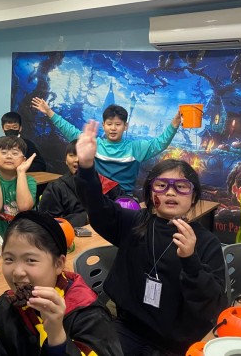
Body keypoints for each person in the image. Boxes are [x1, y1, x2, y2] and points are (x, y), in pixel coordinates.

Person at [75, 120, 227, 355]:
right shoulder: (134, 223)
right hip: (127, 329)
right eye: (162, 185)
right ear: (150, 193)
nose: (170, 192)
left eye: (181, 187)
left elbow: (214, 306)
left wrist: (191, 260)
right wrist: (86, 167)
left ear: (193, 197)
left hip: (178, 344)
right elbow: (97, 206)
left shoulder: (206, 242)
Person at [0, 210, 123, 356]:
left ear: (58, 264)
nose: (17, 272)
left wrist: (57, 337)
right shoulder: (7, 305)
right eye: (9, 259)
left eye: (30, 260)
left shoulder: (86, 312)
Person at [31, 98, 181, 194]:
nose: (113, 128)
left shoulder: (135, 148)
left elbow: (160, 142)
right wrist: (49, 112)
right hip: (97, 197)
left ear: (126, 126)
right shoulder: (95, 144)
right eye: (109, 124)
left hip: (124, 200)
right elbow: (70, 131)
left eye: (118, 124)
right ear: (103, 125)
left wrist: (174, 124)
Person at [0, 136, 37, 235]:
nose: (9, 156)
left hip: (23, 236)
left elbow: (24, 208)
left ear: (24, 160)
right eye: (4, 152)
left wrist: (21, 172)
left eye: (15, 153)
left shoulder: (29, 181)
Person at [38, 140, 87, 227]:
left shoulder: (101, 183)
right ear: (66, 160)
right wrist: (85, 218)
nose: (77, 159)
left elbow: (112, 207)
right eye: (72, 155)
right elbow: (49, 222)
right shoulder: (55, 188)